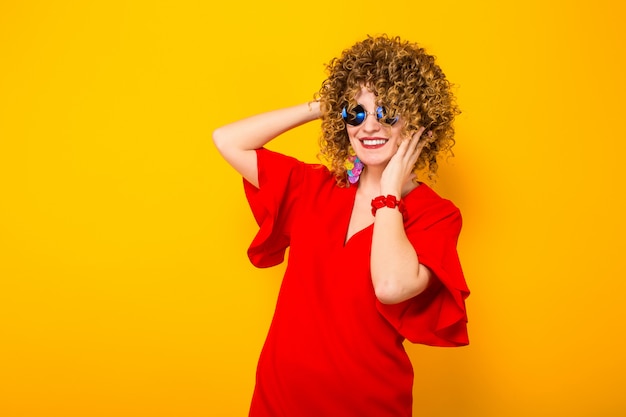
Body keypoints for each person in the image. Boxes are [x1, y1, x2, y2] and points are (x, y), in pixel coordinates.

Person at [212, 34, 470, 417]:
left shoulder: (435, 215)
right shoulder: (313, 186)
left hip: (365, 403)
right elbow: (228, 140)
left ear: (418, 121)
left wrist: (389, 195)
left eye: (388, 112)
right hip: (279, 397)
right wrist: (326, 104)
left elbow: (391, 286)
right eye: (357, 112)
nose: (369, 126)